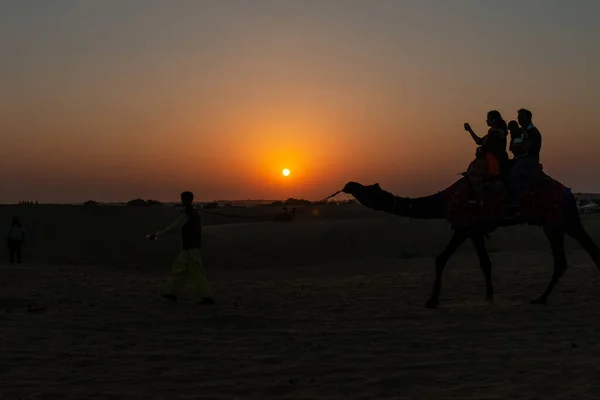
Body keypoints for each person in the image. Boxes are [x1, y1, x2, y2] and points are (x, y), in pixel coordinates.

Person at [147, 191, 215, 305]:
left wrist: (156, 235)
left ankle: (207, 297)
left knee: (197, 274)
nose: (182, 201)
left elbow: (173, 227)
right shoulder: (193, 213)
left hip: (191, 249)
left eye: (183, 199)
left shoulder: (188, 214)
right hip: (189, 248)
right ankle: (173, 293)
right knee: (179, 271)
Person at [463, 110, 510, 206]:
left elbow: (487, 147)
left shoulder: (496, 133)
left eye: (488, 119)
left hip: (495, 160)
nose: (486, 121)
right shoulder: (493, 132)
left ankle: (478, 199)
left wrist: (480, 150)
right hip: (493, 158)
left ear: (493, 120)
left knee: (473, 173)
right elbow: (479, 141)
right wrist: (470, 130)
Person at [508, 108, 542, 214]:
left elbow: (524, 147)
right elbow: (513, 147)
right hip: (521, 158)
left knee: (515, 173)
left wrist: (518, 147)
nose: (519, 120)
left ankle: (516, 203)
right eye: (518, 117)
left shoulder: (533, 132)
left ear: (528, 118)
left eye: (521, 117)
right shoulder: (522, 132)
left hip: (530, 159)